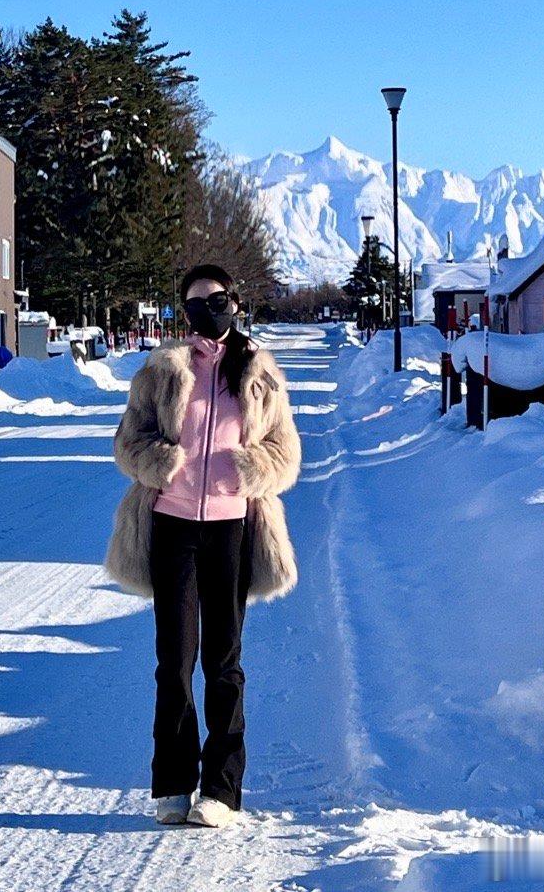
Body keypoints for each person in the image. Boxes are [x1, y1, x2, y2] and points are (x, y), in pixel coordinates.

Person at [105, 263, 302, 828]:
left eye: (215, 301)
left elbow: (285, 453)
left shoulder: (259, 375)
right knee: (175, 661)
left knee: (224, 662)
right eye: (193, 304)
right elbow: (127, 443)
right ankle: (172, 785)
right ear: (182, 311)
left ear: (233, 303)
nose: (205, 313)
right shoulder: (162, 371)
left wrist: (248, 469)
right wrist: (161, 463)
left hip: (231, 531)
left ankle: (221, 789)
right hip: (171, 528)